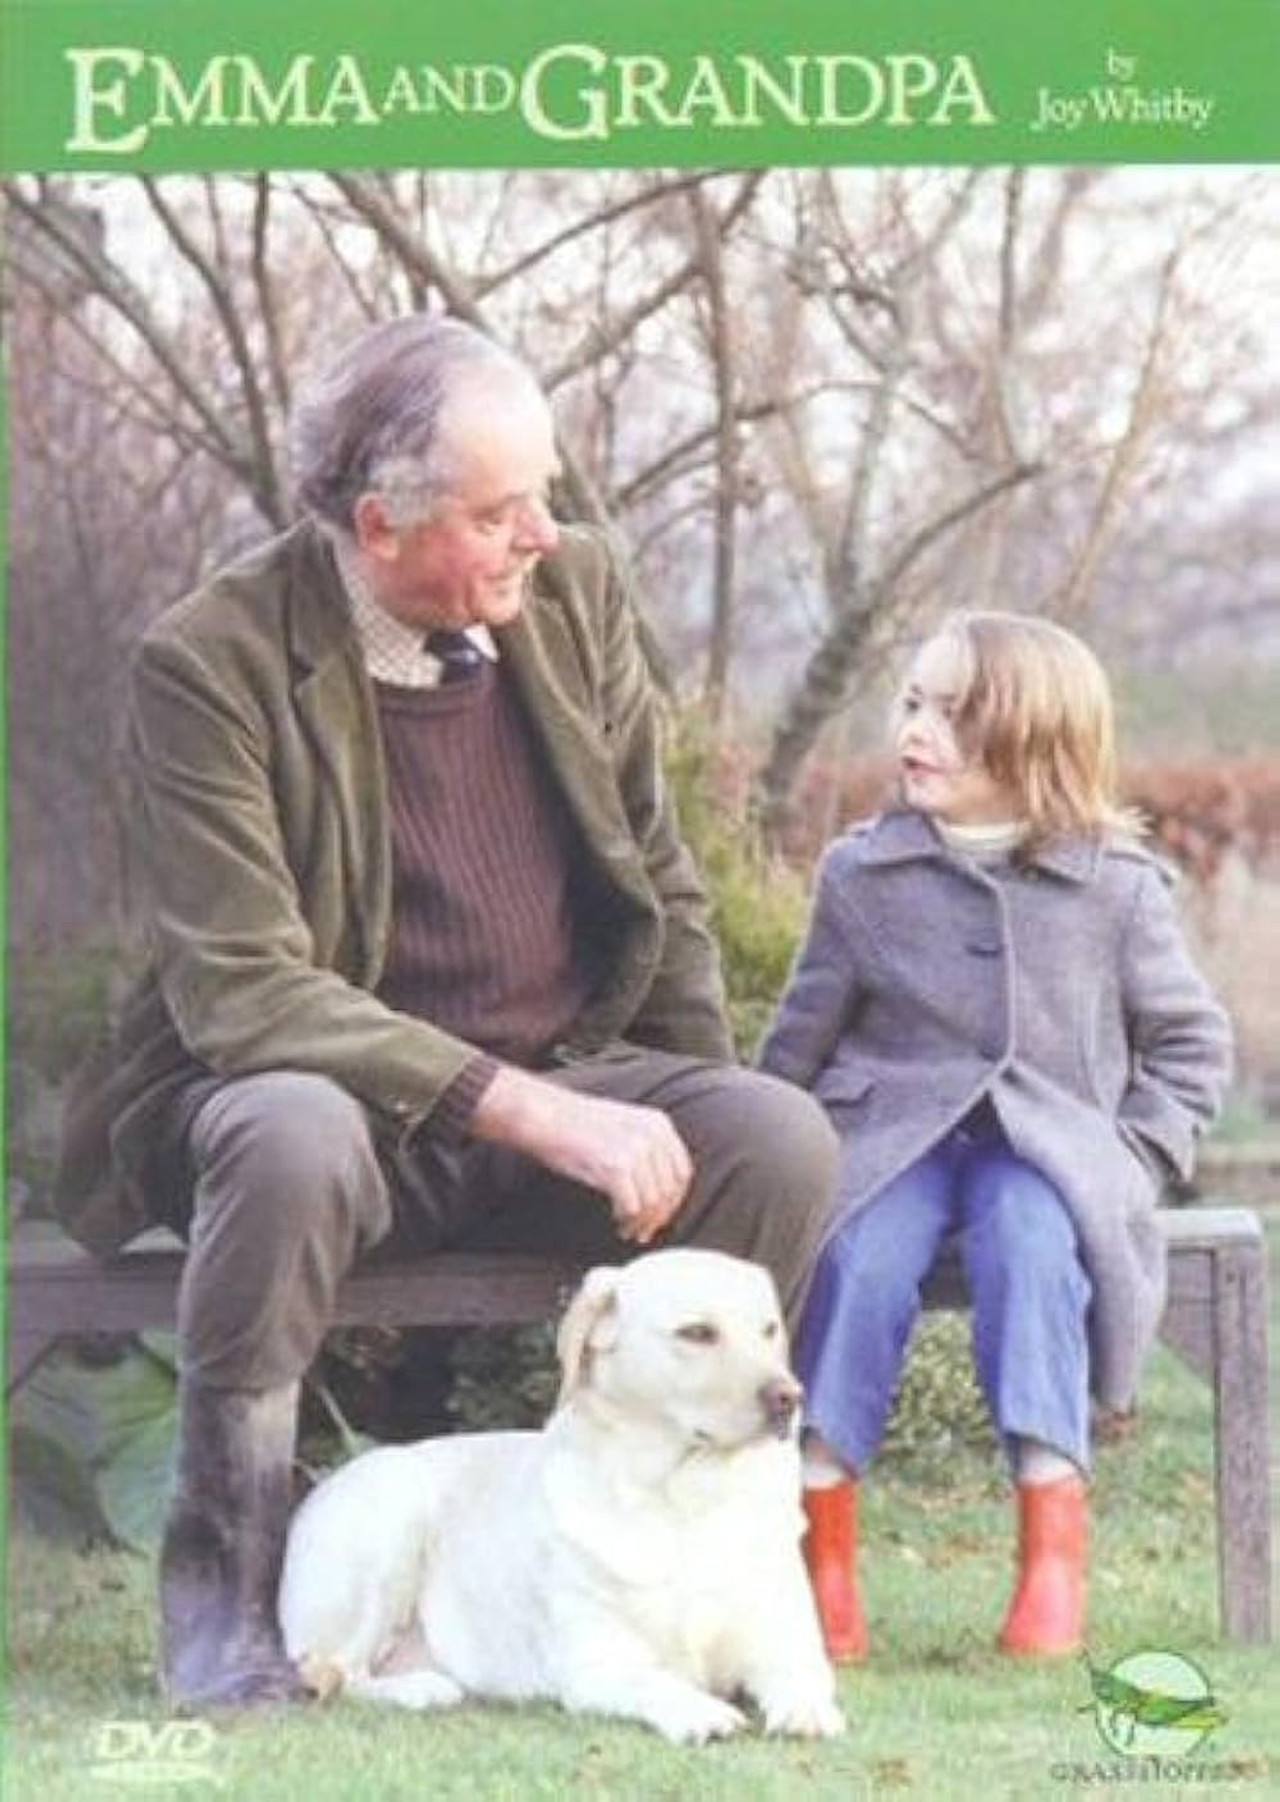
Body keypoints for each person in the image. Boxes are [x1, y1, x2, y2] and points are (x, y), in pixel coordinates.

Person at [53, 314, 839, 1709]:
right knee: (290, 1131)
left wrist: (672, 1108)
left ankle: (722, 1578)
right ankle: (227, 1608)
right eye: (500, 510)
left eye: (543, 494)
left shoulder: (572, 596)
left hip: (558, 1086)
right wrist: (538, 1110)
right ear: (380, 524)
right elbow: (244, 985)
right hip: (315, 1114)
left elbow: (659, 880)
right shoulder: (211, 661)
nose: (542, 532)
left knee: (773, 1140)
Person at [757, 609, 1232, 1663]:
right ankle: (820, 1544)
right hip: (887, 1144)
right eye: (912, 703)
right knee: (859, 1255)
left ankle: (1050, 1539)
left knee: (1030, 1242)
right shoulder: (860, 874)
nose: (916, 729)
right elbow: (797, 1037)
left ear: (1032, 740)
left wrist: (1134, 1155)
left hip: (1047, 1152)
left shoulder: (1112, 886)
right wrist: (759, 1155)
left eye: (954, 713)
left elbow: (1189, 1045)